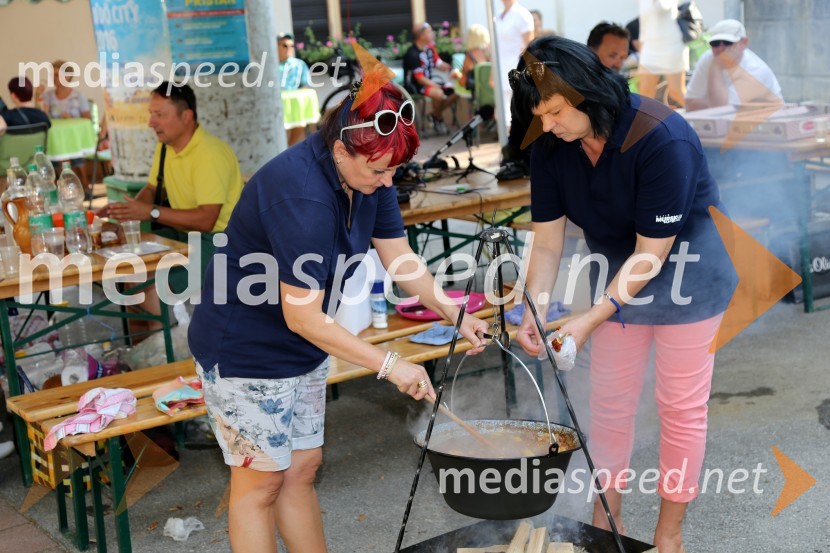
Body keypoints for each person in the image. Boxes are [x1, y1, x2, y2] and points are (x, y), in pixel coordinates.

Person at [187, 80, 489, 553]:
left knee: (302, 470)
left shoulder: (372, 171)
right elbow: (302, 317)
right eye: (379, 171)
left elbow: (399, 257)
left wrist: (453, 312)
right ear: (340, 149)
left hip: (306, 342)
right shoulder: (303, 194)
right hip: (243, 348)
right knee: (259, 485)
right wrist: (390, 366)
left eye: (394, 171)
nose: (388, 182)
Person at [510, 36, 736, 553]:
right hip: (615, 274)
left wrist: (590, 317)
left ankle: (669, 535)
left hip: (690, 278)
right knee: (609, 405)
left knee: (679, 407)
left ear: (588, 92)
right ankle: (605, 526)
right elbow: (546, 243)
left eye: (557, 112)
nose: (548, 126)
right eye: (540, 115)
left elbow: (651, 254)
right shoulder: (550, 144)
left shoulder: (661, 137)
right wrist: (534, 308)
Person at [98, 81, 243, 325]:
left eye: (160, 115)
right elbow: (153, 188)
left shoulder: (209, 154)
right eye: (151, 114)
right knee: (128, 268)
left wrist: (150, 212)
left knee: (148, 283)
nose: (151, 122)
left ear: (186, 116)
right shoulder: (166, 146)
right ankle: (144, 347)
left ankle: (160, 347)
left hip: (220, 243)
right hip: (183, 234)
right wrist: (129, 211)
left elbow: (207, 219)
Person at [684, 19, 783, 111]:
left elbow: (720, 112)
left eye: (728, 42)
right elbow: (689, 103)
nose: (720, 49)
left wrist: (715, 67)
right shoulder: (708, 57)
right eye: (715, 43)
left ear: (744, 43)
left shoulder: (756, 71)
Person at [39, 60, 93, 183]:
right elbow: (42, 116)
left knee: (75, 155)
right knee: (56, 152)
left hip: (74, 138)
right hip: (56, 138)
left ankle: (84, 185)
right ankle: (63, 184)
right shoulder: (48, 96)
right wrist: (38, 94)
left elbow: (88, 119)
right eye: (52, 75)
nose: (54, 78)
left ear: (67, 76)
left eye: (57, 75)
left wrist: (72, 118)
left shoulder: (78, 96)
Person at [403, 22, 461, 134]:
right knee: (439, 93)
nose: (432, 33)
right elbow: (420, 79)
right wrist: (439, 86)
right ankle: (438, 118)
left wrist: (452, 69)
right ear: (421, 35)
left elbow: (439, 64)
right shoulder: (413, 54)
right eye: (429, 31)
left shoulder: (429, 48)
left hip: (430, 82)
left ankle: (434, 115)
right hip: (416, 86)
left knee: (456, 92)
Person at [637, 0, 688, 107]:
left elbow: (662, 6)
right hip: (649, 48)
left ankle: (701, 116)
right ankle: (644, 124)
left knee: (676, 92)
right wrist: (642, 55)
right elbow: (644, 26)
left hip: (671, 46)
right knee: (645, 95)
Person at [495, 0, 535, 127]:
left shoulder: (522, 14)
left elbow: (529, 47)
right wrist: (492, 72)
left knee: (517, 114)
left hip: (517, 71)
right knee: (501, 115)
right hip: (500, 72)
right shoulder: (498, 15)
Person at [277, 32, 313, 146]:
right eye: (285, 45)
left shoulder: (299, 64)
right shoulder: (268, 64)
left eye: (291, 46)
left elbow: (305, 84)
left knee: (300, 121)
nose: (289, 49)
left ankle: (288, 147)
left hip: (293, 105)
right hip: (276, 105)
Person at [459, 23, 495, 124]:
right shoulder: (491, 53)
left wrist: (458, 74)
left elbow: (462, 82)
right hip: (496, 93)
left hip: (481, 97)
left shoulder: (470, 57)